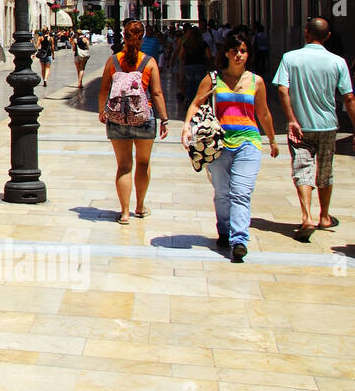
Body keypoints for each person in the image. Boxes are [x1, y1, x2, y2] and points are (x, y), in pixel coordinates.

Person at [182, 27, 279, 263]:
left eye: (244, 51)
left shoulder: (256, 81)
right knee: (223, 193)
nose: (239, 55)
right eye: (235, 51)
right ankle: (224, 230)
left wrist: (273, 139)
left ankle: (239, 240)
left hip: (249, 142)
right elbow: (196, 103)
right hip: (219, 144)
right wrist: (186, 126)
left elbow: (263, 113)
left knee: (241, 192)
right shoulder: (213, 79)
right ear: (226, 53)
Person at [274, 17, 355, 240]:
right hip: (328, 126)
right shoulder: (337, 62)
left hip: (300, 126)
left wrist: (291, 120)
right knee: (325, 170)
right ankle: (324, 216)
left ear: (306, 33)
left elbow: (282, 90)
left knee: (301, 169)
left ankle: (306, 217)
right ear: (327, 37)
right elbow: (349, 97)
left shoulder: (290, 58)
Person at [99, 18, 170, 225]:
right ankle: (140, 206)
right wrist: (164, 119)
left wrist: (102, 111)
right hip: (143, 117)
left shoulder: (113, 61)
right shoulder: (149, 62)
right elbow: (156, 93)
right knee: (143, 162)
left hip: (117, 118)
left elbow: (104, 89)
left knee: (123, 166)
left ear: (124, 35)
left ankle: (125, 213)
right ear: (142, 37)